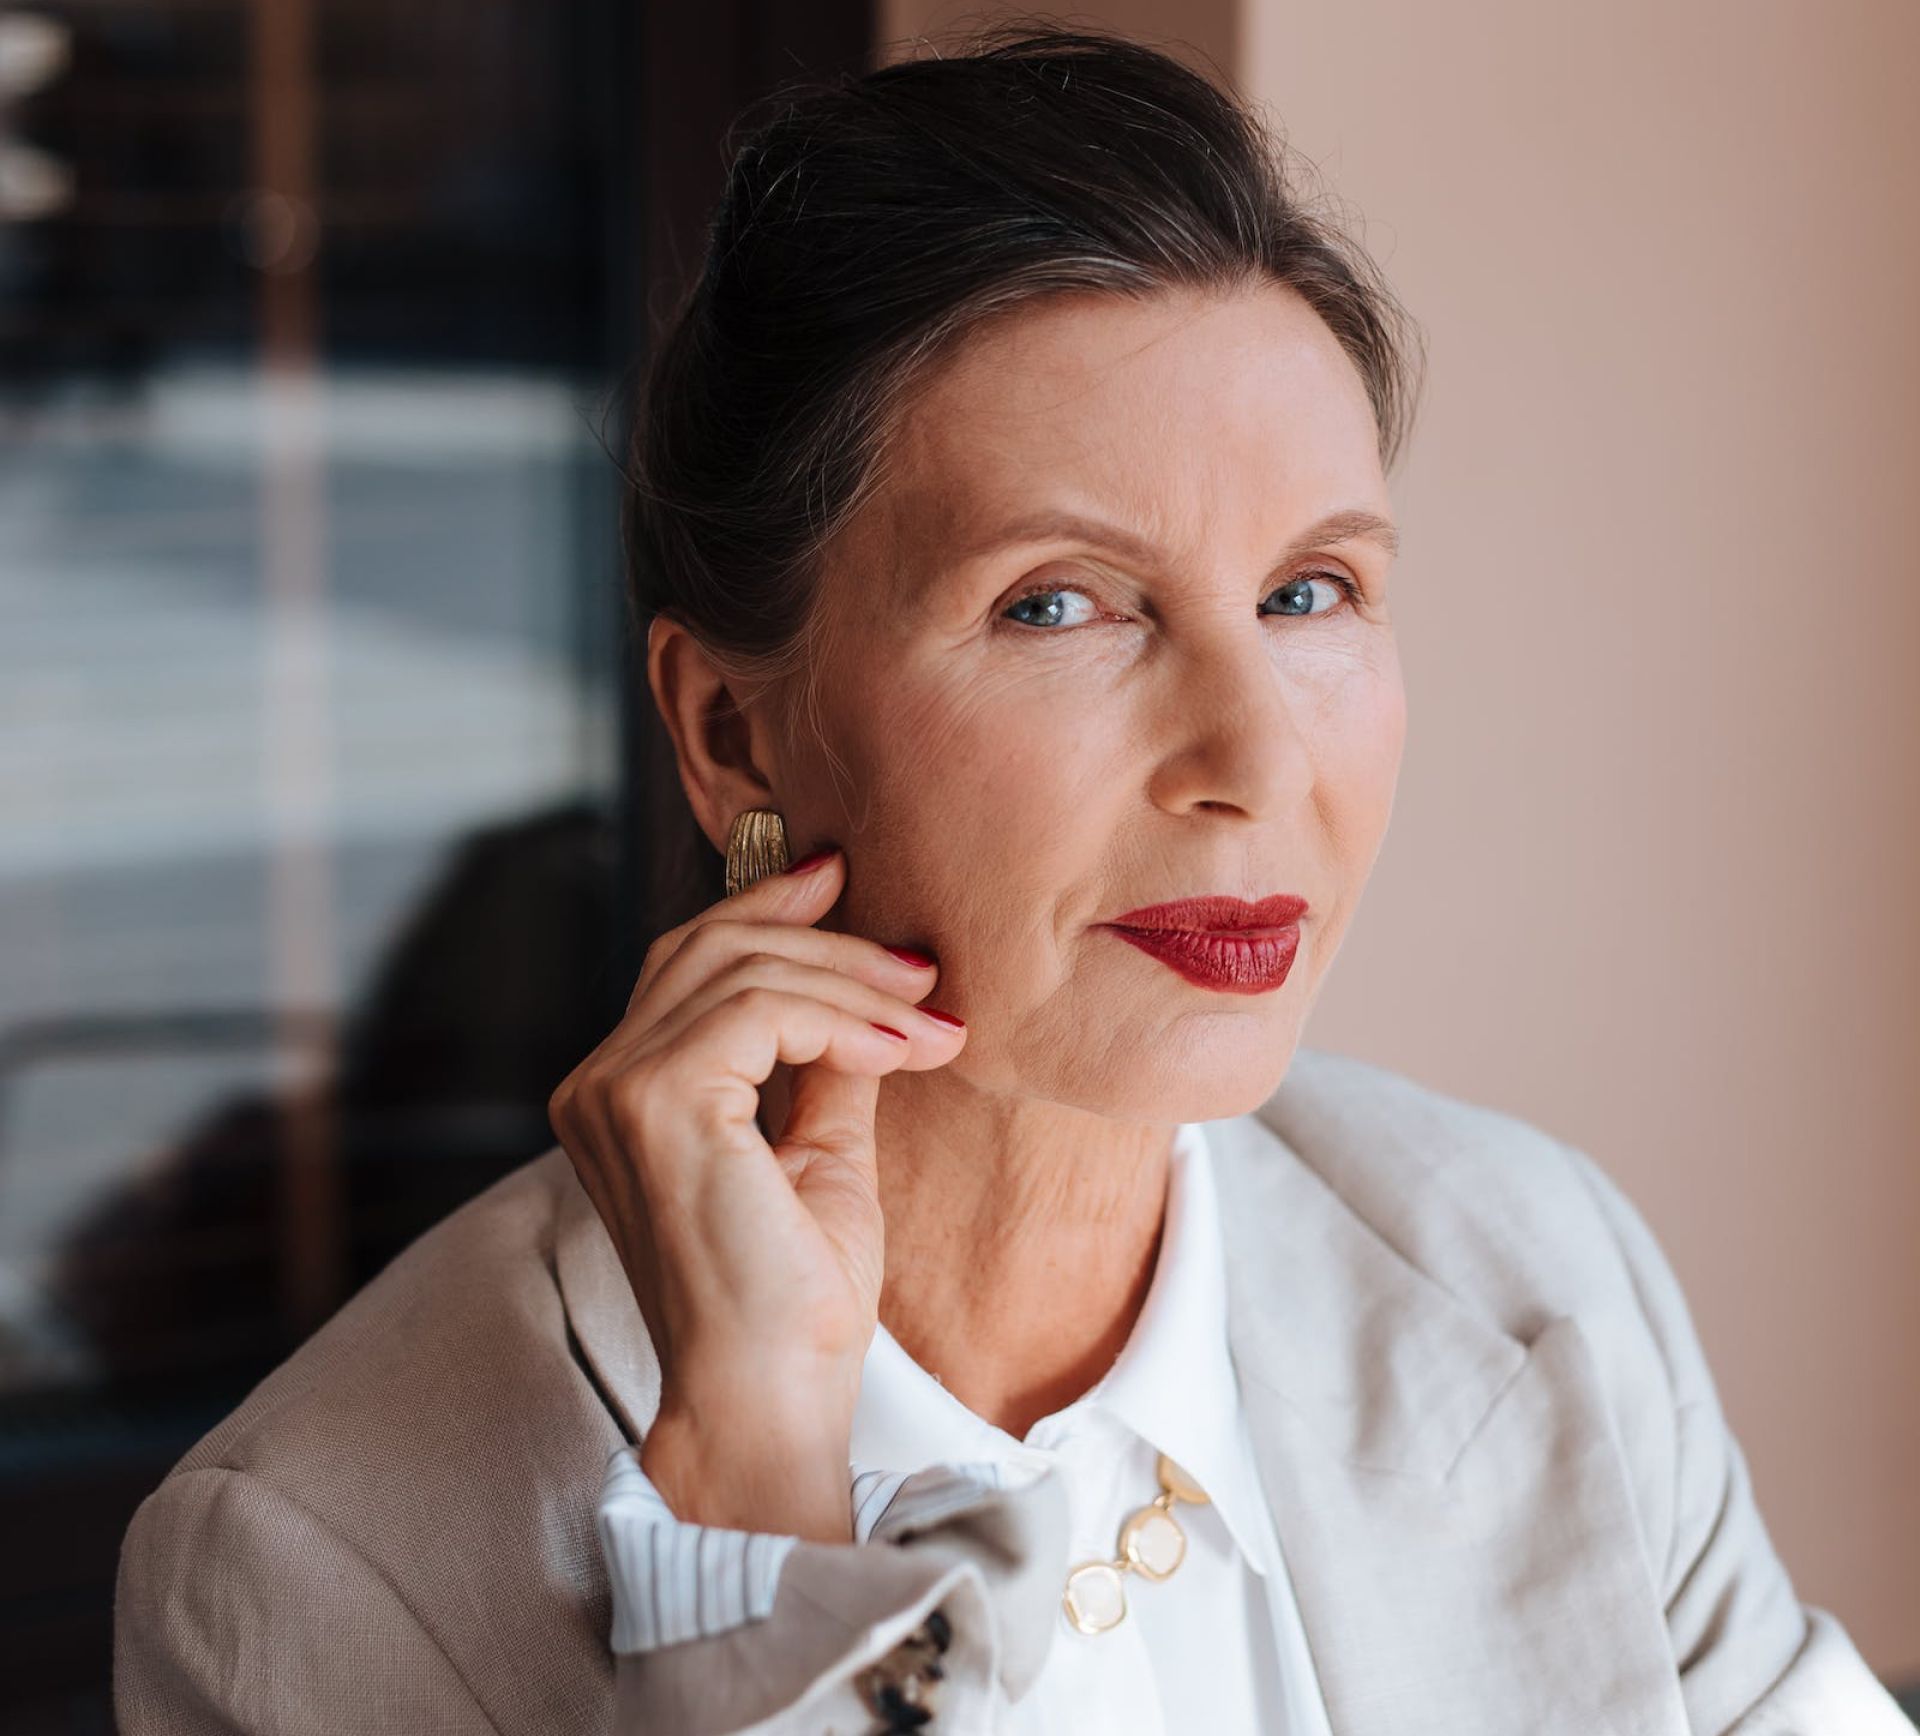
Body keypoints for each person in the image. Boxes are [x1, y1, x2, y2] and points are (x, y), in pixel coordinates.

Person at [112, 24, 1911, 1736]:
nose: (1259, 761)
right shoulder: (314, 1562)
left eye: (1310, 594)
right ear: (736, 732)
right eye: (1063, 604)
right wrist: (750, 1492)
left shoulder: (1533, 1264)